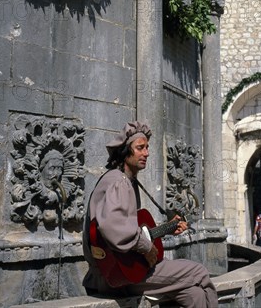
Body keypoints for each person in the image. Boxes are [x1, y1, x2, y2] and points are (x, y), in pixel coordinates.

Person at [83, 121, 218, 307]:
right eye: (140, 148)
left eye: (147, 148)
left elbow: (129, 228)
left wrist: (166, 229)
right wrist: (147, 247)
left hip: (119, 273)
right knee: (200, 272)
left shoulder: (125, 181)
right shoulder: (118, 182)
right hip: (116, 274)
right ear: (125, 151)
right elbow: (116, 230)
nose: (146, 153)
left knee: (194, 294)